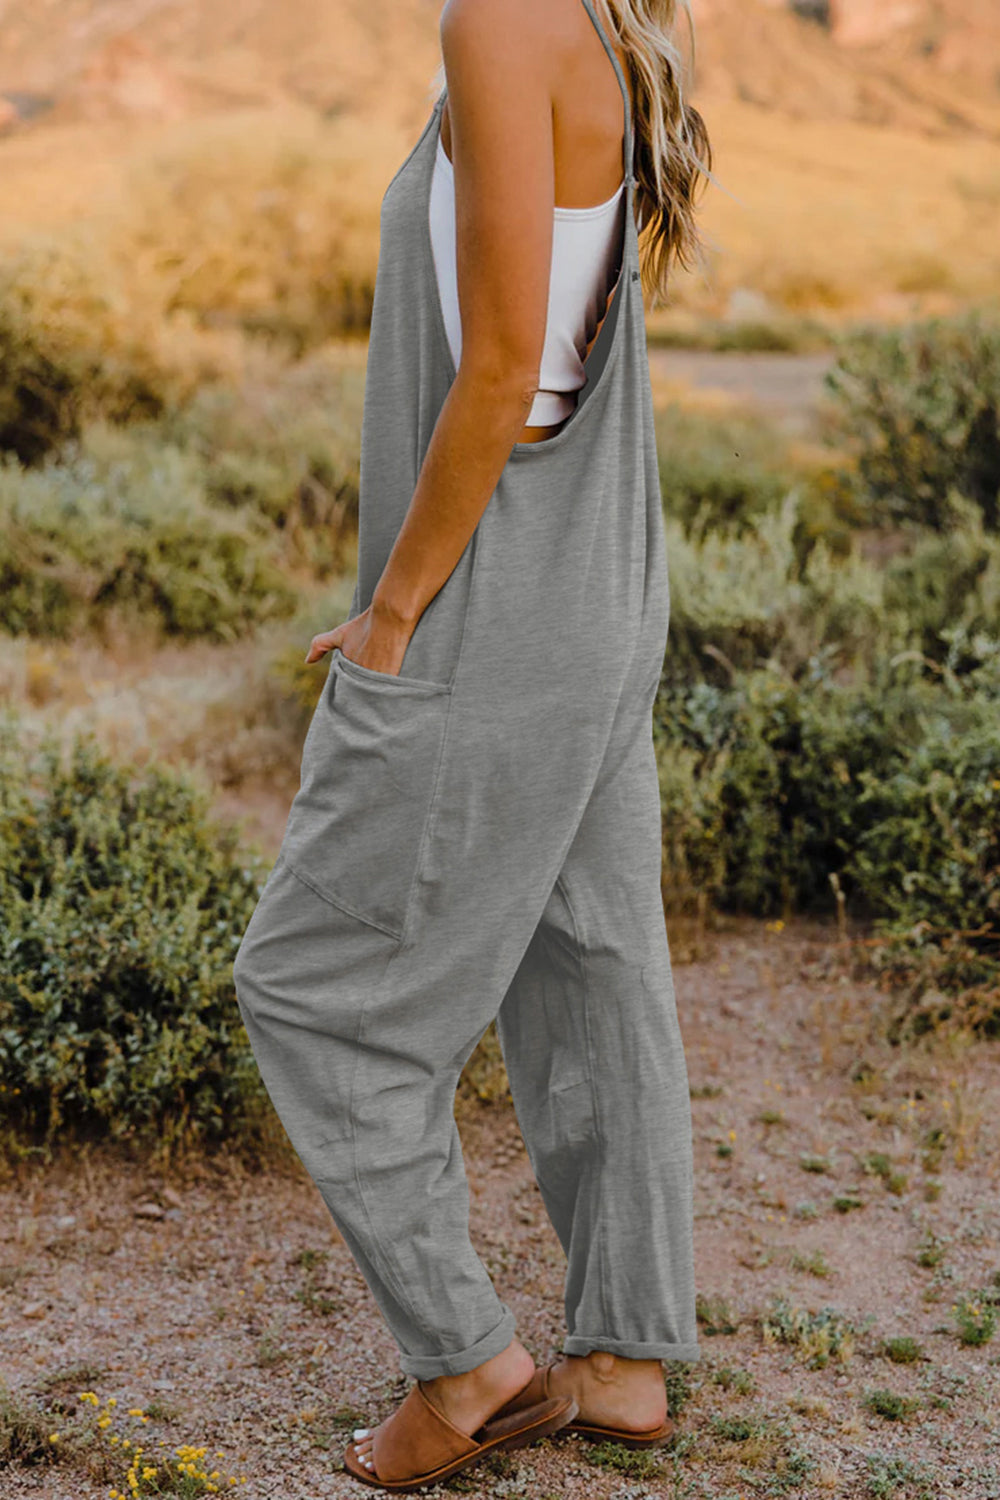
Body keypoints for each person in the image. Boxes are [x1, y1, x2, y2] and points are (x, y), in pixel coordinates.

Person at [232, 0, 712, 1489]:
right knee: (594, 966)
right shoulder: (598, 20)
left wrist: (395, 611)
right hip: (595, 590)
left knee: (309, 991)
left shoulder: (500, 17)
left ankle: (465, 1368)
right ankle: (626, 1363)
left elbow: (505, 365)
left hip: (502, 609)